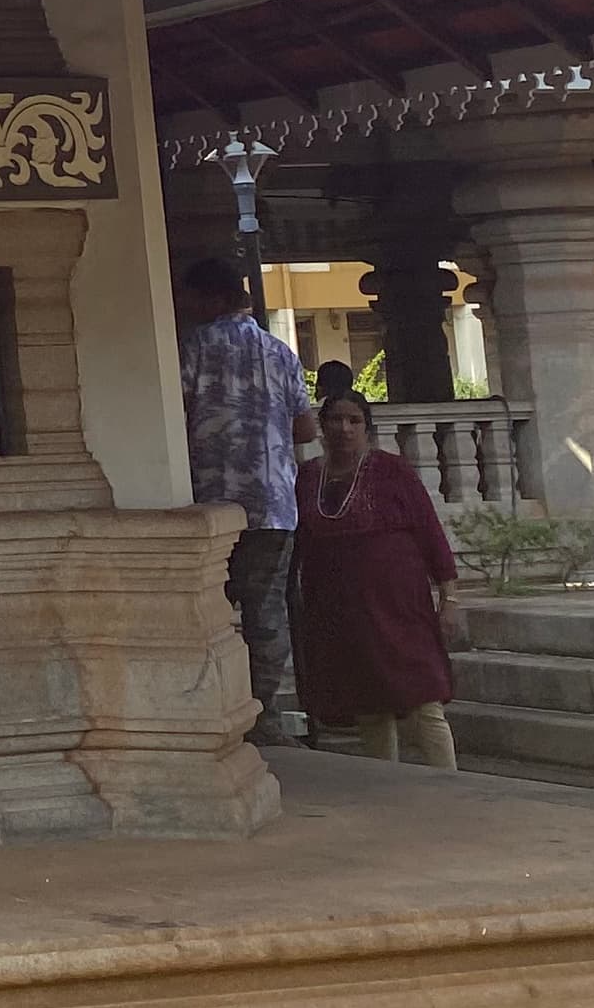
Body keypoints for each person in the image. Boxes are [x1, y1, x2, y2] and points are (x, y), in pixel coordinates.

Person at [292, 388, 463, 768]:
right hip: (340, 612)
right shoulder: (307, 478)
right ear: (322, 426)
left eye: (354, 420)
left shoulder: (392, 471)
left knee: (423, 700)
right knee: (368, 702)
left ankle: (450, 783)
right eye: (336, 420)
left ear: (367, 428)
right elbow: (298, 545)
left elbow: (430, 534)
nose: (344, 428)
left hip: (399, 609)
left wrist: (449, 597)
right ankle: (386, 784)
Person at [174, 256, 306, 746]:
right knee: (266, 613)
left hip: (210, 503)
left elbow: (175, 409)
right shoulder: (281, 352)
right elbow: (305, 427)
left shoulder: (194, 346)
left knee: (204, 611)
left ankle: (211, 707)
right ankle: (262, 715)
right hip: (274, 504)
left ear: (211, 298)